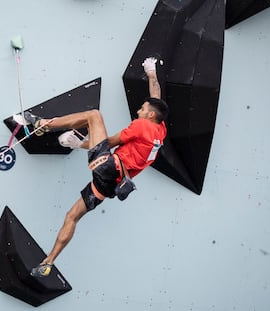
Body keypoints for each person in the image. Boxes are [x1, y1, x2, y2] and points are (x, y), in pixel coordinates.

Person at [23, 57, 169, 277]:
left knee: (94, 115)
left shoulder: (142, 126)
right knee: (72, 216)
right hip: (110, 186)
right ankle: (48, 263)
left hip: (108, 166)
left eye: (141, 109)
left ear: (148, 116)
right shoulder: (160, 131)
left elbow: (108, 143)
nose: (138, 111)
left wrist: (79, 143)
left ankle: (43, 124)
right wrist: (151, 74)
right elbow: (156, 99)